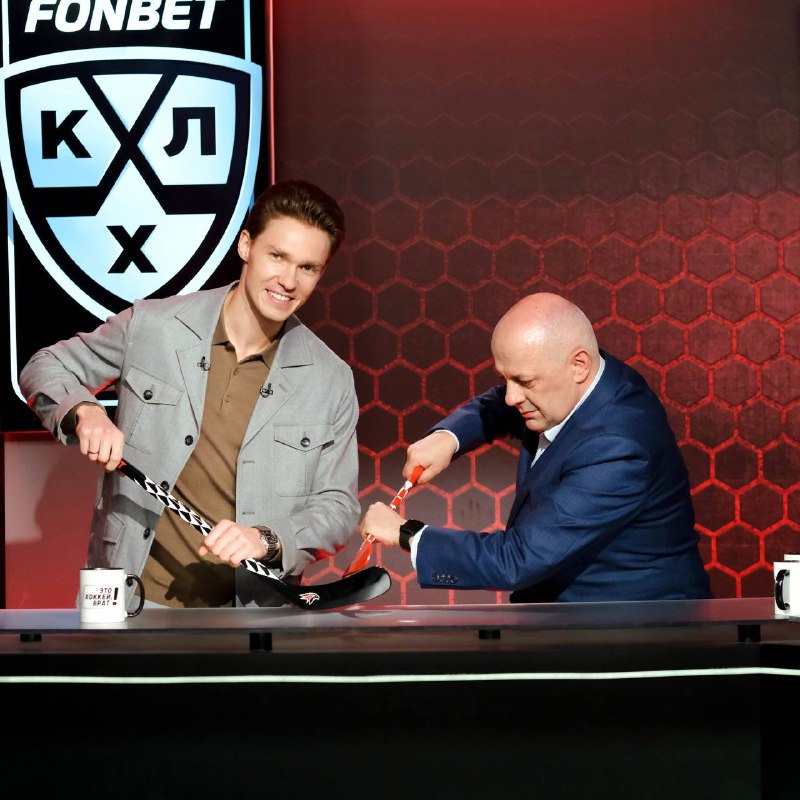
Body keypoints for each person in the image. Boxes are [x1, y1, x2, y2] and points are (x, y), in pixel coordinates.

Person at [20, 180, 360, 608]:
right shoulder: (153, 326)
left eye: (307, 267)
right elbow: (44, 365)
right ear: (246, 245)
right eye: (277, 256)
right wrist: (85, 410)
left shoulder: (330, 379)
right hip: (128, 601)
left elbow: (338, 507)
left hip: (254, 616)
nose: (288, 281)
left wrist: (267, 540)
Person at [360, 292, 712, 602]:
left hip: (633, 628)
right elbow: (500, 405)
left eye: (524, 381)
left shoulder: (617, 447)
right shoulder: (580, 383)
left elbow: (518, 559)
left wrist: (406, 534)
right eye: (505, 379)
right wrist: (448, 439)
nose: (511, 397)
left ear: (579, 365)